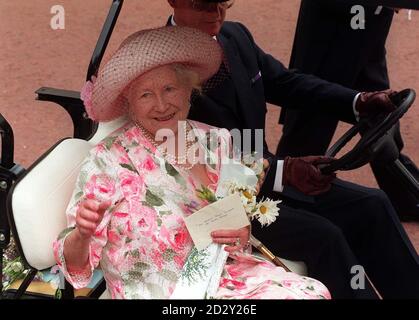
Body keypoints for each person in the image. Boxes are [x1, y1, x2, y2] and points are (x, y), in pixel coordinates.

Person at [53, 26, 331, 299]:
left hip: (227, 277)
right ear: (130, 103)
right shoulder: (108, 159)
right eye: (145, 95)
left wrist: (240, 232)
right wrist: (82, 233)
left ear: (189, 89)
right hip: (160, 291)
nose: (161, 105)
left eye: (170, 88)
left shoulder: (218, 140)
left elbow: (236, 226)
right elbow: (77, 266)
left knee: (314, 294)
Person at [165, 0, 419, 298]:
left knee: (372, 205)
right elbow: (194, 164)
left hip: (265, 181)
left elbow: (286, 83)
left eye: (223, 3)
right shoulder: (162, 73)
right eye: (203, 5)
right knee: (325, 235)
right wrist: (283, 172)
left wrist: (358, 101)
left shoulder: (235, 37)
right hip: (216, 205)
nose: (216, 13)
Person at [277, 0, 419, 221]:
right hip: (340, 17)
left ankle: (406, 194)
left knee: (380, 111)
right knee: (313, 113)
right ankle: (279, 202)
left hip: (369, 16)